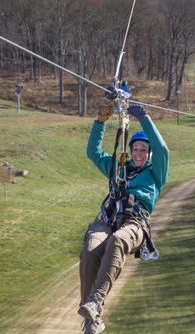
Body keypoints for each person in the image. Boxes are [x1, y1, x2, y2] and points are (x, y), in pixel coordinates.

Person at [78, 104, 169, 333]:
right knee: (89, 253)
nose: (139, 154)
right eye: (136, 149)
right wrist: (100, 122)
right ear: (130, 150)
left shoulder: (155, 174)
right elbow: (93, 152)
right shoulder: (118, 168)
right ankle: (91, 320)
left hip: (134, 223)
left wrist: (145, 119)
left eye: (143, 151)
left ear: (148, 155)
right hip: (107, 220)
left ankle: (96, 300)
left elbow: (163, 149)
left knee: (118, 240)